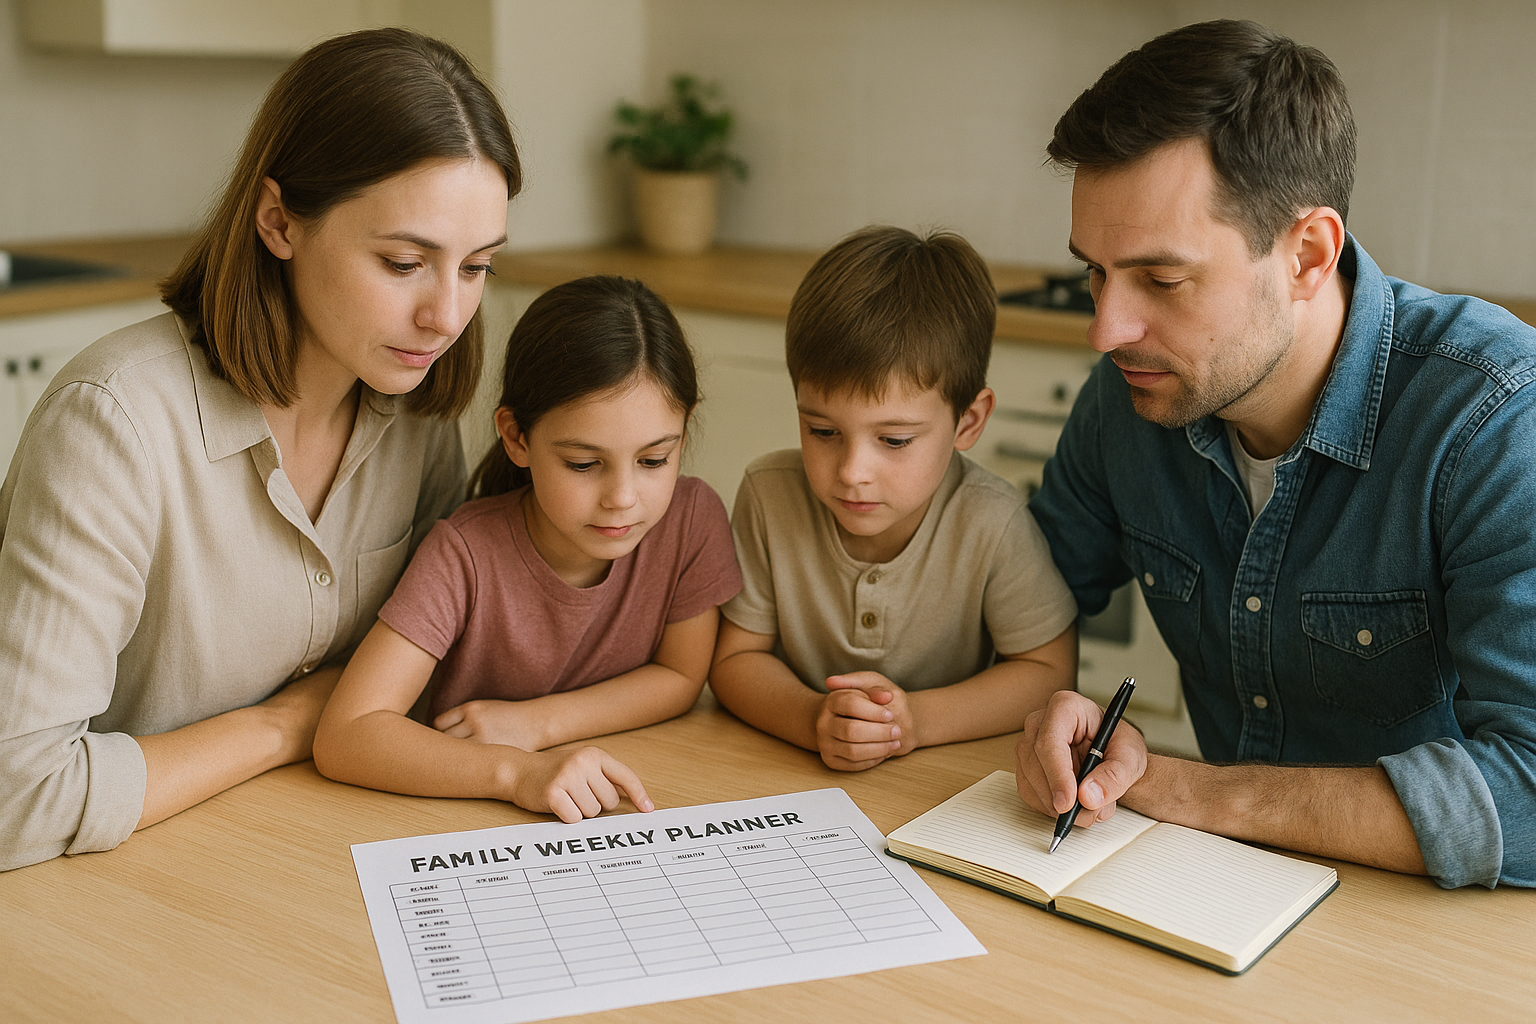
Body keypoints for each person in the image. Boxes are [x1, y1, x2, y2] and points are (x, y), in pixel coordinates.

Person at [1013, 19, 1536, 889]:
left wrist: (1200, 793)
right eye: (1095, 273)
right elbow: (1016, 609)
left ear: (1307, 253)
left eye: (1161, 281)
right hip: (1215, 895)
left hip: (1434, 933)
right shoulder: (1133, 392)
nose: (1107, 329)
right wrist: (1047, 710)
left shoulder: (1491, 417)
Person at [0, 28, 518, 871]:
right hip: (104, 886)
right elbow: (14, 797)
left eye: (477, 268)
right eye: (403, 262)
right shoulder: (113, 423)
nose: (447, 316)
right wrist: (284, 725)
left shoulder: (415, 408)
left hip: (301, 848)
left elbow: (425, 663)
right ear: (279, 222)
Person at [313, 276, 742, 823]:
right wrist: (516, 770)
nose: (623, 499)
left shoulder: (691, 519)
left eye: (655, 459)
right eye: (584, 464)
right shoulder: (464, 554)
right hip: (453, 816)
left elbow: (682, 677)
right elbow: (347, 734)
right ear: (517, 438)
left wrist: (536, 725)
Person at [710, 226, 1079, 771]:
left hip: (944, 786)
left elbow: (1050, 672)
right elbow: (735, 659)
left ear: (968, 421)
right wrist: (813, 718)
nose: (853, 472)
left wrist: (914, 722)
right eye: (822, 431)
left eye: (895, 440)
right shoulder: (769, 497)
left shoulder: (992, 521)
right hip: (791, 780)